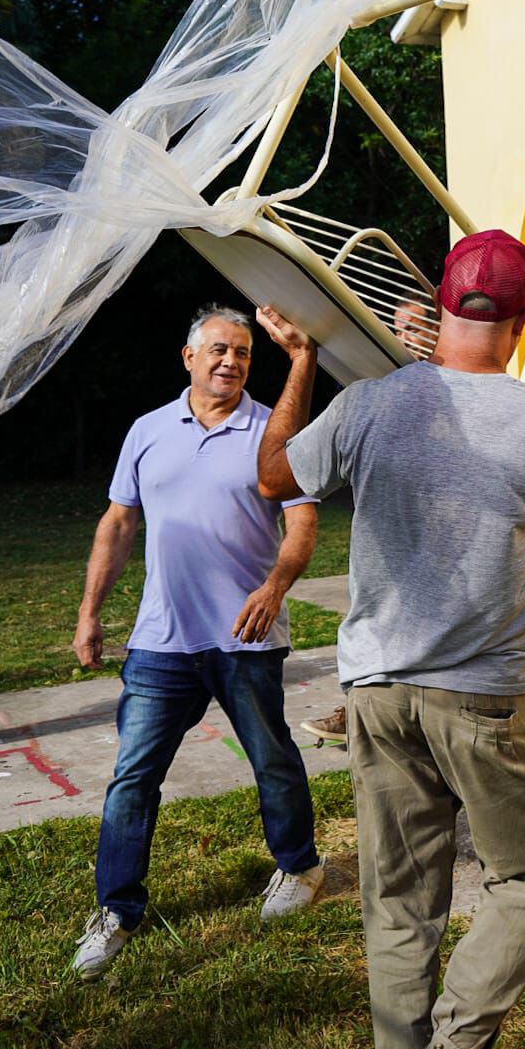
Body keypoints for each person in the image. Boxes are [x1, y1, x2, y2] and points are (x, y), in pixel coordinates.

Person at [256, 230, 525, 1049]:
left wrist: (301, 364)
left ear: (439, 304)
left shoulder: (370, 405)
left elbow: (274, 476)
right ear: (523, 316)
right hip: (486, 699)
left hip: (375, 694)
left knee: (399, 903)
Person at [70, 304, 324, 983]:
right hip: (161, 640)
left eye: (242, 352)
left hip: (246, 637)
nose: (230, 361)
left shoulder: (273, 431)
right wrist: (90, 612)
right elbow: (119, 524)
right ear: (187, 357)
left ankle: (299, 868)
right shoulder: (148, 431)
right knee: (132, 776)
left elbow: (301, 523)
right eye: (217, 349)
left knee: (272, 760)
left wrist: (274, 589)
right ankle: (116, 911)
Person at [299, 290, 439, 747]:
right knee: (379, 616)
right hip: (391, 537)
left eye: (414, 327)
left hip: (447, 540)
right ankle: (361, 706)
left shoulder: (459, 386)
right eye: (397, 329)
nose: (403, 339)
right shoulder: (371, 393)